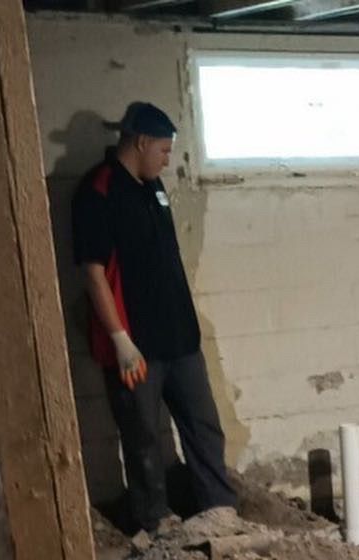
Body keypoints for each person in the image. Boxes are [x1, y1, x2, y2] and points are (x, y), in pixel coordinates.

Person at [72, 102, 237, 533]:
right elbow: (92, 272)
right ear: (141, 141)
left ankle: (218, 509)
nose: (167, 158)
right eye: (163, 150)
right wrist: (120, 340)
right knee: (143, 437)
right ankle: (155, 520)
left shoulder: (153, 187)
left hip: (180, 340)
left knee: (204, 427)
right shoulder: (99, 191)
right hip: (137, 347)